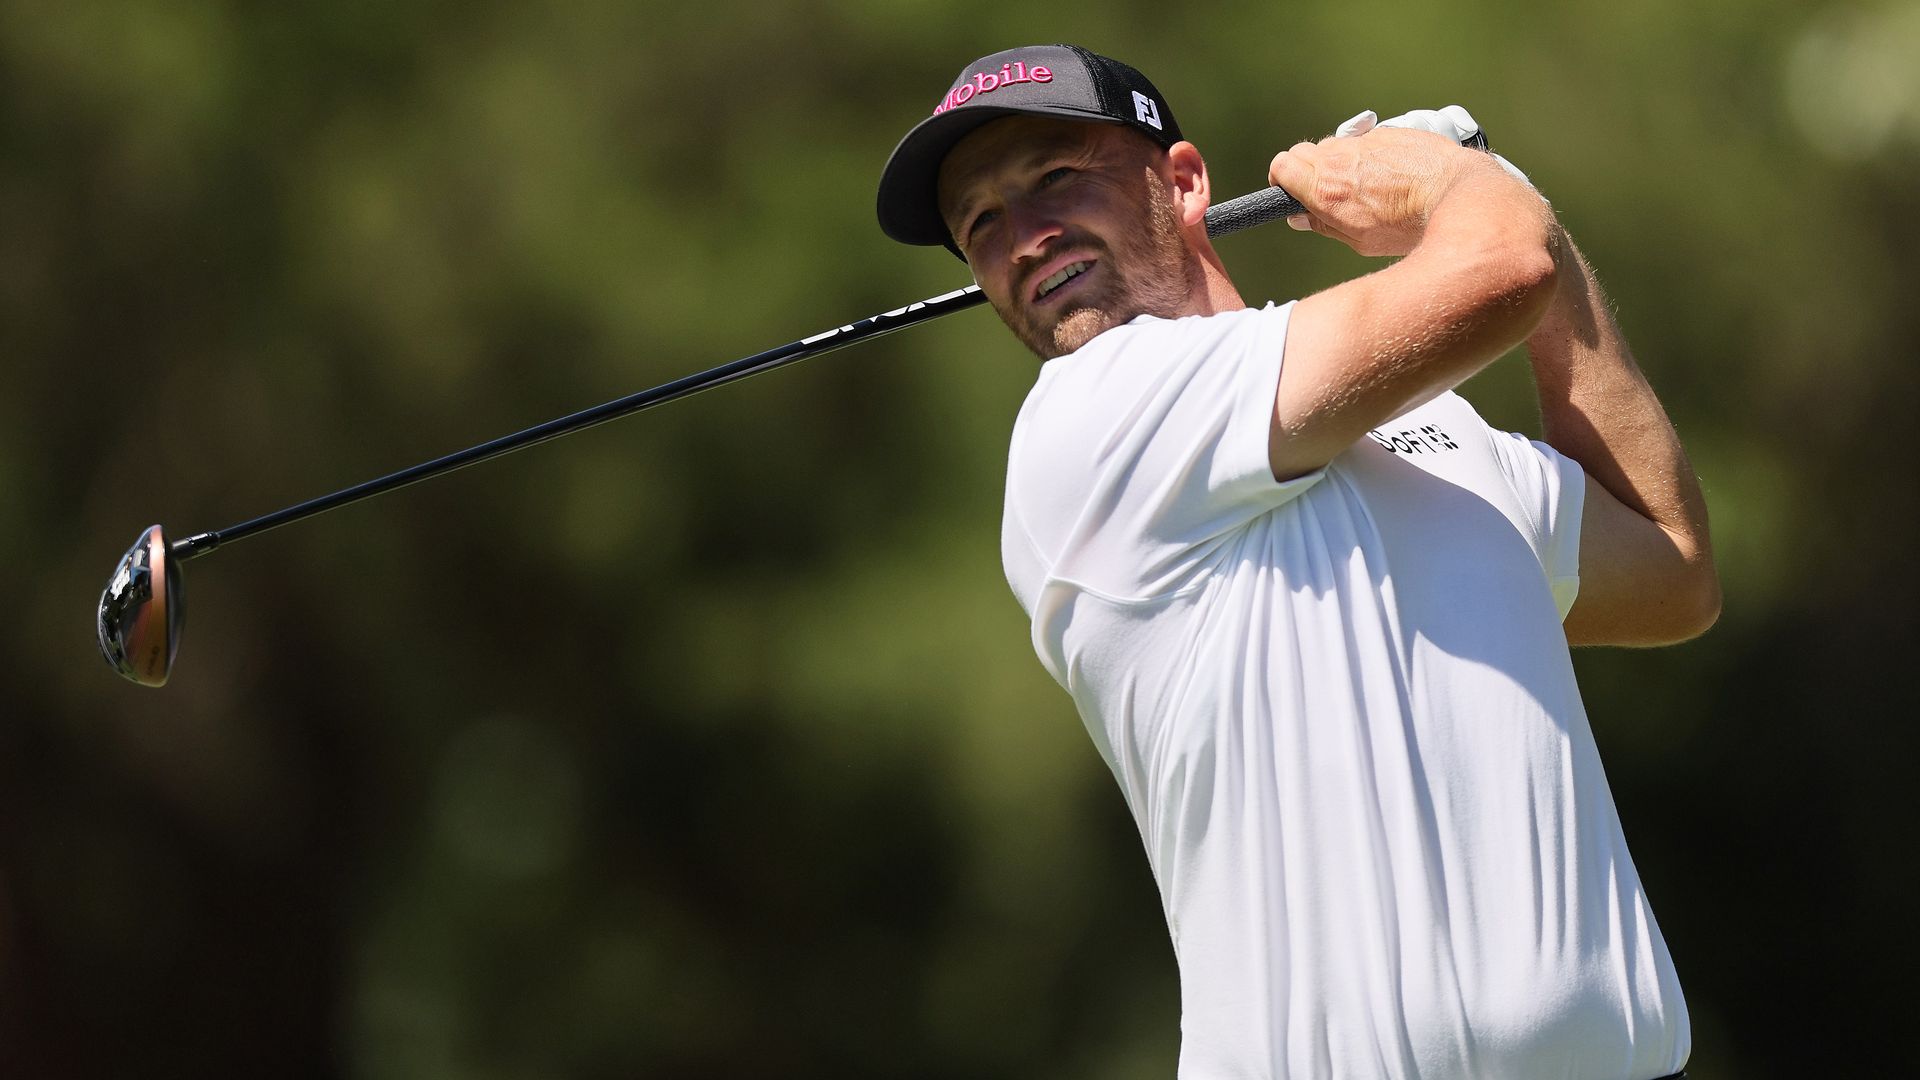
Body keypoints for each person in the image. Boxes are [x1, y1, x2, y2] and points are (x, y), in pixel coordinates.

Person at [875, 45, 1718, 1080]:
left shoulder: (1444, 440)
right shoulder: (1091, 419)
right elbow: (1504, 269)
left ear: (1183, 184)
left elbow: (1671, 569)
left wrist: (1520, 207)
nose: (1024, 236)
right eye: (980, 224)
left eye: (1055, 178)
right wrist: (1465, 185)